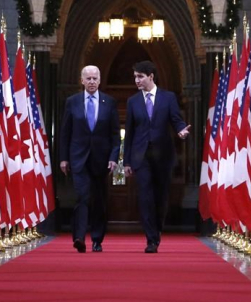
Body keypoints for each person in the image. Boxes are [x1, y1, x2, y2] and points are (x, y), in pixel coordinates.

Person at [123, 60, 190, 253]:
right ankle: (151, 239)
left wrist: (181, 131)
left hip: (163, 155)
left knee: (161, 197)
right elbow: (129, 132)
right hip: (140, 156)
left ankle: (158, 228)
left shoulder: (168, 98)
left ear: (151, 76)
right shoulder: (132, 101)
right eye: (135, 76)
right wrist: (126, 161)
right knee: (145, 196)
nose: (137, 80)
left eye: (140, 76)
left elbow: (176, 120)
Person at [59, 65, 120, 253]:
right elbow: (65, 132)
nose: (92, 82)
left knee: (99, 200)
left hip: (101, 160)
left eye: (95, 78)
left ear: (100, 80)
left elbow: (115, 135)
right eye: (88, 78)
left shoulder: (109, 102)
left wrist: (113, 157)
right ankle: (79, 237)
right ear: (82, 80)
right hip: (78, 158)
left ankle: (97, 239)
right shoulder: (72, 102)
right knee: (82, 197)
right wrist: (63, 158)